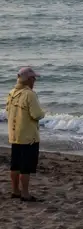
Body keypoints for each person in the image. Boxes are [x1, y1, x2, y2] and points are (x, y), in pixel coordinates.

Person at [6, 67, 45, 202]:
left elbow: (7, 111)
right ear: (28, 79)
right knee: (26, 167)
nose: (35, 81)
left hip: (14, 134)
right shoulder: (30, 94)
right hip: (28, 136)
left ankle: (15, 191)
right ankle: (25, 193)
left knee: (15, 165)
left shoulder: (12, 93)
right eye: (33, 78)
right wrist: (44, 112)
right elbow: (37, 115)